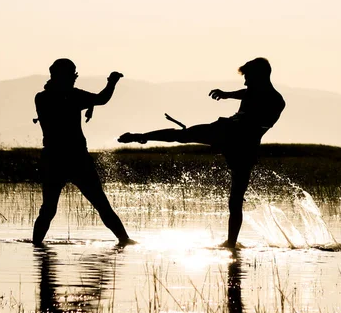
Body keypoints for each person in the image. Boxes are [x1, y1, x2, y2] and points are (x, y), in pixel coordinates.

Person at [118, 57, 285, 248]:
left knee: (236, 199)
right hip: (230, 135)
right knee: (182, 135)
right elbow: (248, 93)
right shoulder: (253, 93)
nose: (245, 82)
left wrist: (230, 98)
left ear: (260, 76)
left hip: (242, 146)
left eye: (248, 78)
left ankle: (231, 243)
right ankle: (141, 136)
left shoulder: (275, 101)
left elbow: (254, 99)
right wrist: (227, 95)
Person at [32, 58, 133, 245]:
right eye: (72, 75)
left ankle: (36, 247)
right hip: (75, 159)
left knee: (48, 210)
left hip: (55, 158)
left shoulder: (43, 97)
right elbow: (101, 98)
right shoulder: (69, 96)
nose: (74, 78)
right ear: (62, 76)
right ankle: (124, 241)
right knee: (101, 206)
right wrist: (111, 82)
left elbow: (88, 99)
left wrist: (90, 104)